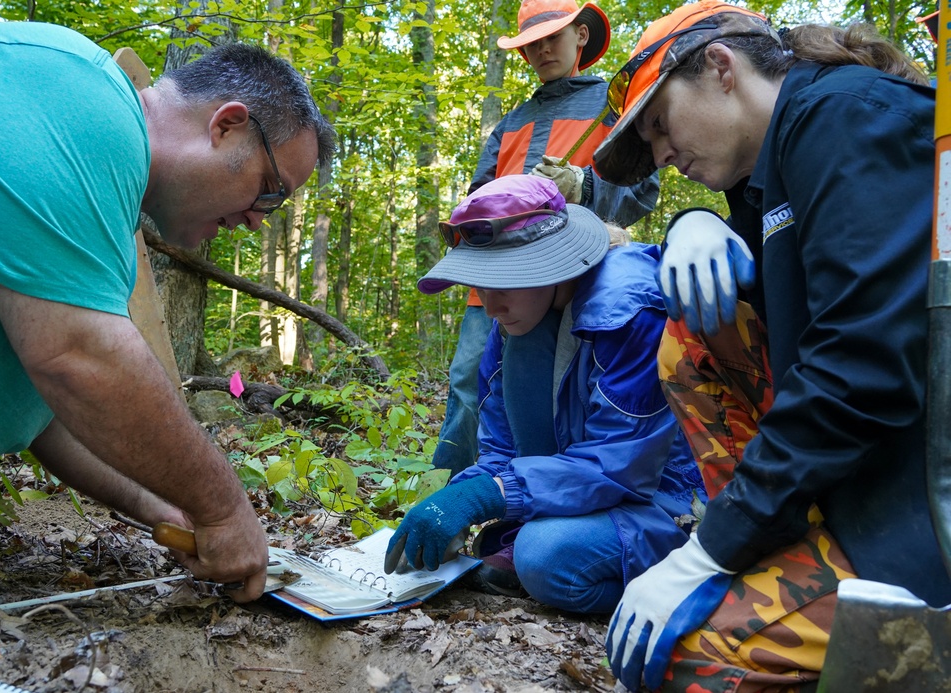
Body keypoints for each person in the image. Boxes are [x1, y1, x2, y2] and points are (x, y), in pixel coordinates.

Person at [590, 1, 951, 690]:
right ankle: (776, 547)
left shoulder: (845, 118)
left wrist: (706, 552)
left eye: (661, 125)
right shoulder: (774, 164)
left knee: (680, 653)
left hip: (921, 513)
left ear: (721, 67)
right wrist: (695, 220)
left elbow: (860, 370)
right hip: (860, 489)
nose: (662, 156)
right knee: (690, 327)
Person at [0, 21, 335, 602]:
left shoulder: (100, 200)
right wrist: (226, 511)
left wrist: (163, 504)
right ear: (227, 125)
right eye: (270, 191)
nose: (258, 220)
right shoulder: (84, 112)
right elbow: (78, 360)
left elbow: (45, 406)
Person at [384, 174, 704, 614]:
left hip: (673, 499)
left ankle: (694, 598)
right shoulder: (516, 321)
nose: (490, 306)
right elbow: (499, 446)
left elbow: (621, 465)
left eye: (504, 284)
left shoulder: (628, 311)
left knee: (545, 558)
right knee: (528, 547)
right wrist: (464, 495)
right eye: (480, 286)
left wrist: (488, 496)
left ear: (553, 265)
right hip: (591, 492)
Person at [433, 0, 661, 477]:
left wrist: (584, 186)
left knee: (569, 383)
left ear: (581, 36)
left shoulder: (611, 108)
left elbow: (642, 189)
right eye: (529, 44)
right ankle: (448, 491)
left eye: (550, 38)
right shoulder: (512, 120)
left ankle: (544, 489)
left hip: (575, 273)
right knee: (470, 381)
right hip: (496, 270)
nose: (539, 50)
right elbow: (478, 192)